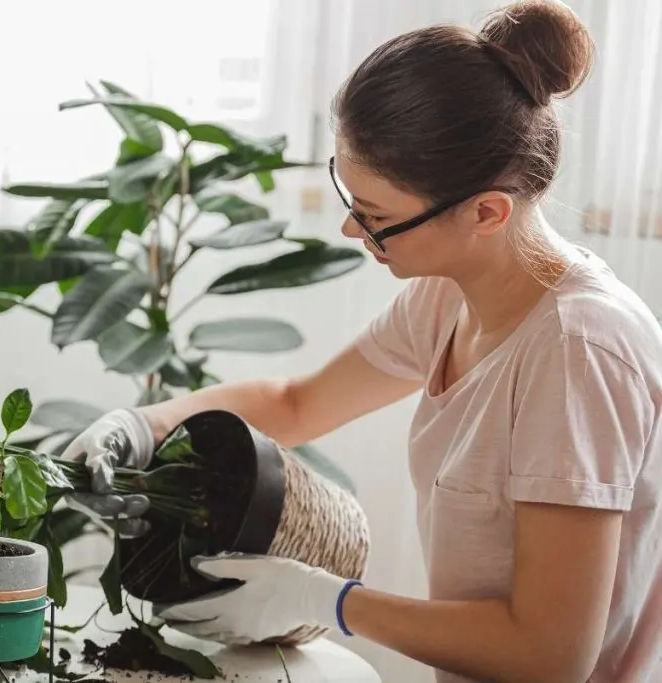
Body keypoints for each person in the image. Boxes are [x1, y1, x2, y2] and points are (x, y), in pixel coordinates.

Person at [60, 2, 662, 682]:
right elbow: (296, 404)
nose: (353, 231)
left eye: (377, 218)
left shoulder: (577, 351)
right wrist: (139, 425)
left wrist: (328, 600)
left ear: (487, 211)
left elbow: (552, 654)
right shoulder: (448, 297)